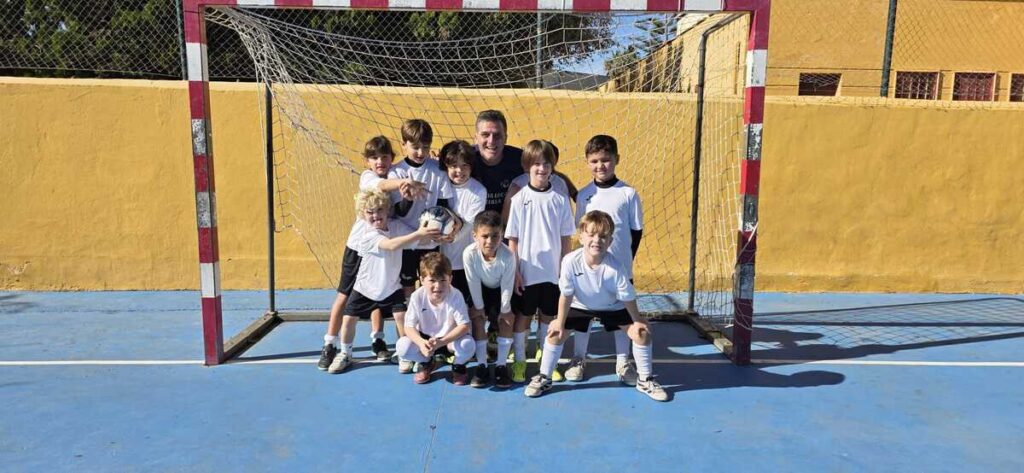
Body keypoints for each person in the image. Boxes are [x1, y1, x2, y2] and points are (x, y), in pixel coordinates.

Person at [525, 210, 667, 401]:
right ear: (581, 236)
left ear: (610, 241)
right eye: (591, 234)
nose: (597, 240)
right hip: (581, 305)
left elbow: (627, 297)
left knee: (642, 334)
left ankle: (645, 380)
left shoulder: (616, 267)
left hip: (613, 307)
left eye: (603, 236)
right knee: (555, 333)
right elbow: (566, 295)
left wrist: (637, 320)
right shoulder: (569, 261)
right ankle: (545, 377)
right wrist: (559, 321)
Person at [318, 136, 426, 372]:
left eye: (385, 157)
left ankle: (378, 338)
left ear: (392, 158)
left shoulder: (396, 175)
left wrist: (407, 194)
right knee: (346, 296)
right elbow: (380, 187)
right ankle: (330, 344)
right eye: (375, 158)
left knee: (381, 288)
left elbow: (398, 211)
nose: (380, 161)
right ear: (367, 162)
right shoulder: (369, 178)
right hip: (360, 247)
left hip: (389, 239)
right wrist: (402, 184)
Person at [328, 189, 440, 374]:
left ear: (387, 210)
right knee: (349, 319)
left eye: (379, 210)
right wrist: (420, 234)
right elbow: (392, 245)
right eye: (370, 212)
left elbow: (418, 241)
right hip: (365, 287)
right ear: (362, 215)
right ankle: (345, 353)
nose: (375, 215)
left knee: (401, 317)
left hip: (391, 286)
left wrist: (439, 237)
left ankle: (404, 354)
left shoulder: (396, 227)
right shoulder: (367, 235)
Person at [565, 134, 645, 383]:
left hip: (618, 269)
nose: (601, 165)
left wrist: (624, 263)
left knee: (621, 317)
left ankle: (623, 362)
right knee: (583, 315)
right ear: (588, 162)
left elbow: (636, 231)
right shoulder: (583, 195)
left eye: (606, 160)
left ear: (616, 160)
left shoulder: (628, 193)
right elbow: (581, 231)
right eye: (595, 160)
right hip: (589, 270)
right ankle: (579, 358)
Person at [504, 140, 575, 383]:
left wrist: (564, 268)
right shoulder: (519, 198)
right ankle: (520, 361)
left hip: (552, 272)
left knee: (547, 317)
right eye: (536, 164)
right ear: (527, 166)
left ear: (552, 167)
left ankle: (547, 363)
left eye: (546, 164)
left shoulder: (560, 198)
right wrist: (515, 272)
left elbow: (567, 238)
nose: (541, 168)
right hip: (527, 271)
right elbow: (512, 239)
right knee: (523, 318)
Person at [388, 119, 460, 299]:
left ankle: (429, 325)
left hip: (431, 240)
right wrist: (408, 199)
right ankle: (408, 326)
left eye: (426, 147)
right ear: (403, 144)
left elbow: (443, 206)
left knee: (431, 284)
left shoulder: (438, 170)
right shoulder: (396, 173)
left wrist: (447, 229)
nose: (421, 152)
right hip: (406, 241)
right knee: (406, 287)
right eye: (415, 147)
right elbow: (399, 212)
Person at [394, 253, 476, 385]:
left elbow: (464, 325)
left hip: (449, 340)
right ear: (422, 280)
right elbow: (409, 327)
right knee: (402, 347)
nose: (437, 286)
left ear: (450, 279)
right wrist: (421, 343)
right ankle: (426, 363)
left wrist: (441, 342)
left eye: (443, 280)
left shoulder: (456, 295)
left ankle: (458, 365)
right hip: (426, 340)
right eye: (432, 280)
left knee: (468, 344)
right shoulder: (417, 296)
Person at [461, 210, 516, 388]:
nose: (490, 241)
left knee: (507, 321)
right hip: (480, 289)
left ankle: (501, 366)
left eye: (495, 236)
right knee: (477, 319)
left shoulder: (508, 256)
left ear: (502, 235)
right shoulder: (469, 254)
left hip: (500, 289)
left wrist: (505, 310)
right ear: (474, 235)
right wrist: (479, 308)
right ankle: (482, 365)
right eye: (485, 236)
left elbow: (507, 285)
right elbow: (473, 281)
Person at [438, 140, 486, 307]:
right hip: (441, 260)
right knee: (443, 305)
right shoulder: (440, 185)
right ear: (446, 166)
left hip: (466, 262)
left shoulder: (478, 191)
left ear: (471, 167)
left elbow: (469, 224)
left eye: (464, 166)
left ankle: (469, 334)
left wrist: (451, 238)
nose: (459, 171)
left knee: (468, 308)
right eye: (454, 166)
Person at [470, 110, 524, 217]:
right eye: (485, 135)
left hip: (511, 227)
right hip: (471, 227)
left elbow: (547, 171)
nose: (491, 141)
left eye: (497, 135)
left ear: (505, 138)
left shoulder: (521, 160)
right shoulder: (464, 159)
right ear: (476, 138)